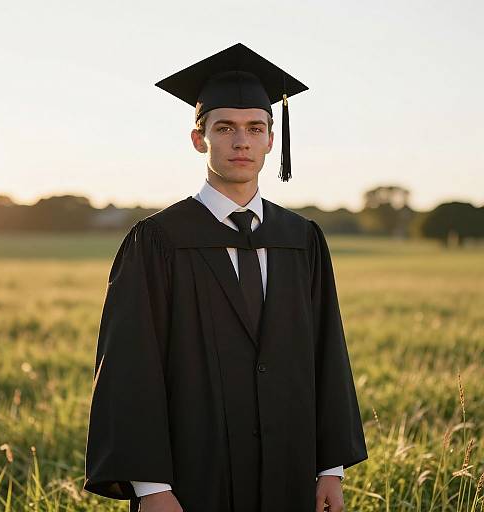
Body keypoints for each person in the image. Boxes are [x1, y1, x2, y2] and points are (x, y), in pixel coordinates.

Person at [83, 43, 368, 512]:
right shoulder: (157, 241)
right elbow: (130, 365)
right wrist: (151, 488)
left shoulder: (301, 239)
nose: (241, 141)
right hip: (194, 476)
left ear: (271, 140)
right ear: (199, 139)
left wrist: (330, 470)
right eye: (225, 128)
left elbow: (327, 352)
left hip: (289, 471)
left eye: (255, 128)